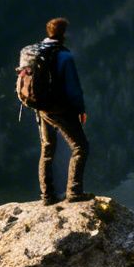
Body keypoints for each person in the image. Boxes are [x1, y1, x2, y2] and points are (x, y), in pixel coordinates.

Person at [35, 17, 89, 204]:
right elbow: (73, 89)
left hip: (41, 108)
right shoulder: (65, 56)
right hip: (59, 109)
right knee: (80, 147)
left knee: (47, 148)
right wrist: (80, 110)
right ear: (63, 34)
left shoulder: (36, 52)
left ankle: (47, 196)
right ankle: (74, 192)